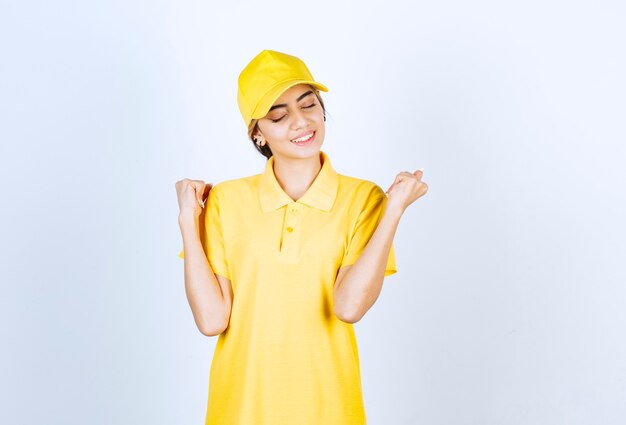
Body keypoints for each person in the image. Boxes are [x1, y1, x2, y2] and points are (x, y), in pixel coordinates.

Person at [175, 49, 428, 425]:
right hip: (240, 409)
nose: (300, 121)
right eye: (278, 114)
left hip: (329, 408)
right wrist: (187, 222)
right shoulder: (226, 201)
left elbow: (348, 307)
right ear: (257, 133)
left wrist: (393, 210)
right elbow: (212, 320)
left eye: (308, 104)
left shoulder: (363, 200)